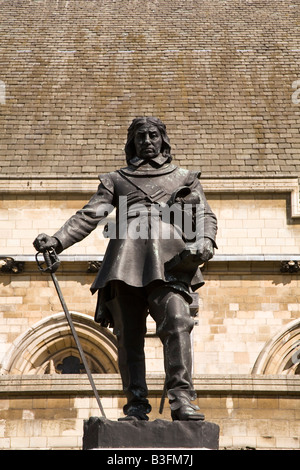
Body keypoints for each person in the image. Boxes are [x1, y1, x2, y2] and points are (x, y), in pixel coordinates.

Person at [33, 117, 217, 421]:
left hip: (171, 262)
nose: (147, 141)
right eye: (141, 136)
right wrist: (56, 240)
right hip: (125, 262)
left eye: (153, 135)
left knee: (177, 321)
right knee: (127, 336)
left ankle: (182, 398)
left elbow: (205, 216)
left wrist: (206, 240)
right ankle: (135, 403)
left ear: (162, 140)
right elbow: (89, 216)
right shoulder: (116, 180)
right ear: (132, 142)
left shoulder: (184, 177)